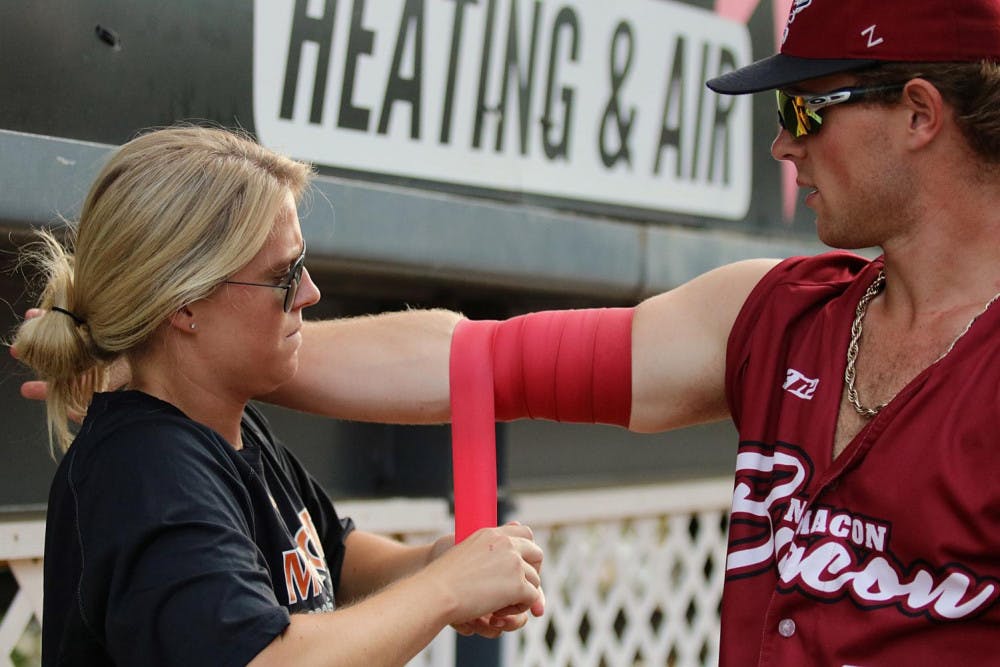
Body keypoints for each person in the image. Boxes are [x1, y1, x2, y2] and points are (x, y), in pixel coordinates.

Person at [16, 0, 1000, 664]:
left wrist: (178, 343)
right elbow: (471, 358)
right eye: (282, 281)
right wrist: (141, 342)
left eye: (803, 104)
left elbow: (325, 545)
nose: (782, 143)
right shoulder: (776, 311)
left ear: (917, 112)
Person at [11, 126, 544, 667]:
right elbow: (261, 657)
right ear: (185, 303)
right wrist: (444, 590)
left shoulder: (228, 427)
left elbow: (330, 559)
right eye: (283, 276)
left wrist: (434, 563)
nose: (310, 292)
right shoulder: (146, 471)